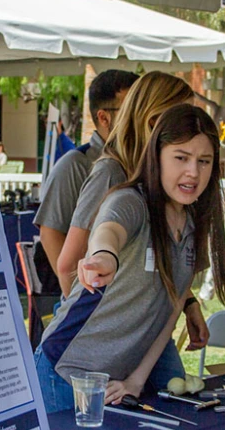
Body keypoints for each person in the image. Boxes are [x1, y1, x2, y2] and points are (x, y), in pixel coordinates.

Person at [34, 104, 225, 412]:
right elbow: (109, 230)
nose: (193, 171)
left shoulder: (194, 224)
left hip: (117, 379)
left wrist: (137, 381)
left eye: (204, 161)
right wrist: (103, 257)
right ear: (157, 157)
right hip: (65, 371)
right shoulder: (131, 201)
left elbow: (172, 307)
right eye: (181, 158)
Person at [56, 71, 204, 391]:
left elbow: (160, 263)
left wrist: (189, 304)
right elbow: (70, 262)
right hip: (90, 352)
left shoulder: (171, 185)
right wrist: (109, 334)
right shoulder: (113, 173)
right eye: (181, 122)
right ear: (152, 122)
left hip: (149, 333)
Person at [35, 70, 137, 289]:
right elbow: (50, 233)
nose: (140, 118)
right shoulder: (76, 164)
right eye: (131, 110)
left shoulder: (137, 163)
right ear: (103, 117)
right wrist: (74, 297)